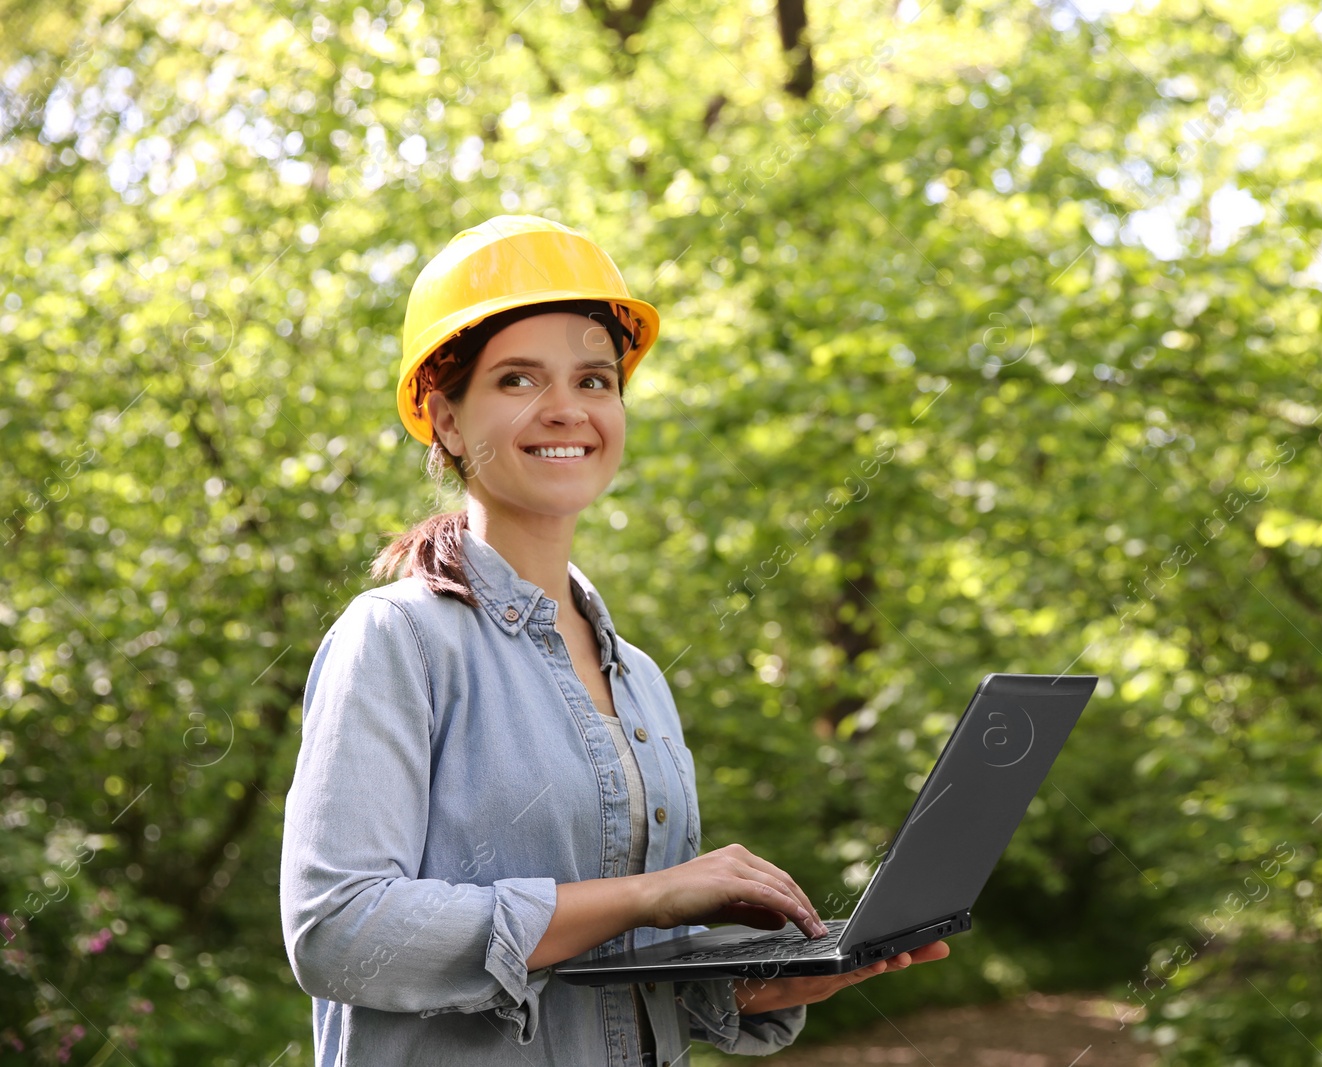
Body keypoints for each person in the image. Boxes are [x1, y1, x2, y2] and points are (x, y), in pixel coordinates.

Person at [278, 215, 949, 1065]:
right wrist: (649, 894)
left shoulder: (638, 680)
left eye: (596, 380)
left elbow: (611, 972)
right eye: (519, 379)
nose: (567, 409)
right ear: (446, 418)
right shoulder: (397, 639)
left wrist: (755, 984)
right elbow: (339, 931)